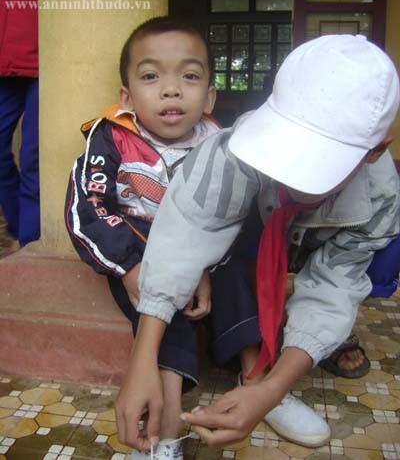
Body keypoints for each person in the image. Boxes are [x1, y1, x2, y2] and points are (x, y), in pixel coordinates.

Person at [117, 34, 400, 453]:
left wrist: (271, 390)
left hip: (318, 240)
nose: (294, 172)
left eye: (319, 160)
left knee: (380, 263)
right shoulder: (232, 152)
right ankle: (251, 366)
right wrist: (142, 362)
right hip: (258, 232)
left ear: (375, 151)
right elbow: (182, 237)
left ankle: (277, 372)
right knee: (230, 245)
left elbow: (332, 289)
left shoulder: (379, 199)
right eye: (288, 146)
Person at [66, 17, 323, 460]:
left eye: (189, 76)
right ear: (127, 96)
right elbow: (88, 208)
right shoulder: (111, 139)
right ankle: (165, 431)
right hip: (140, 249)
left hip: (208, 249)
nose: (171, 90)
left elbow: (236, 216)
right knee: (162, 309)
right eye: (151, 77)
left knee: (239, 273)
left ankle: (257, 380)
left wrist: (203, 264)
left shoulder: (223, 144)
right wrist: (131, 267)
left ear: (209, 96)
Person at [0, 0, 40, 250]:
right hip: (2, 65)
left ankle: (29, 240)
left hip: (47, 64)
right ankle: (17, 228)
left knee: (33, 156)